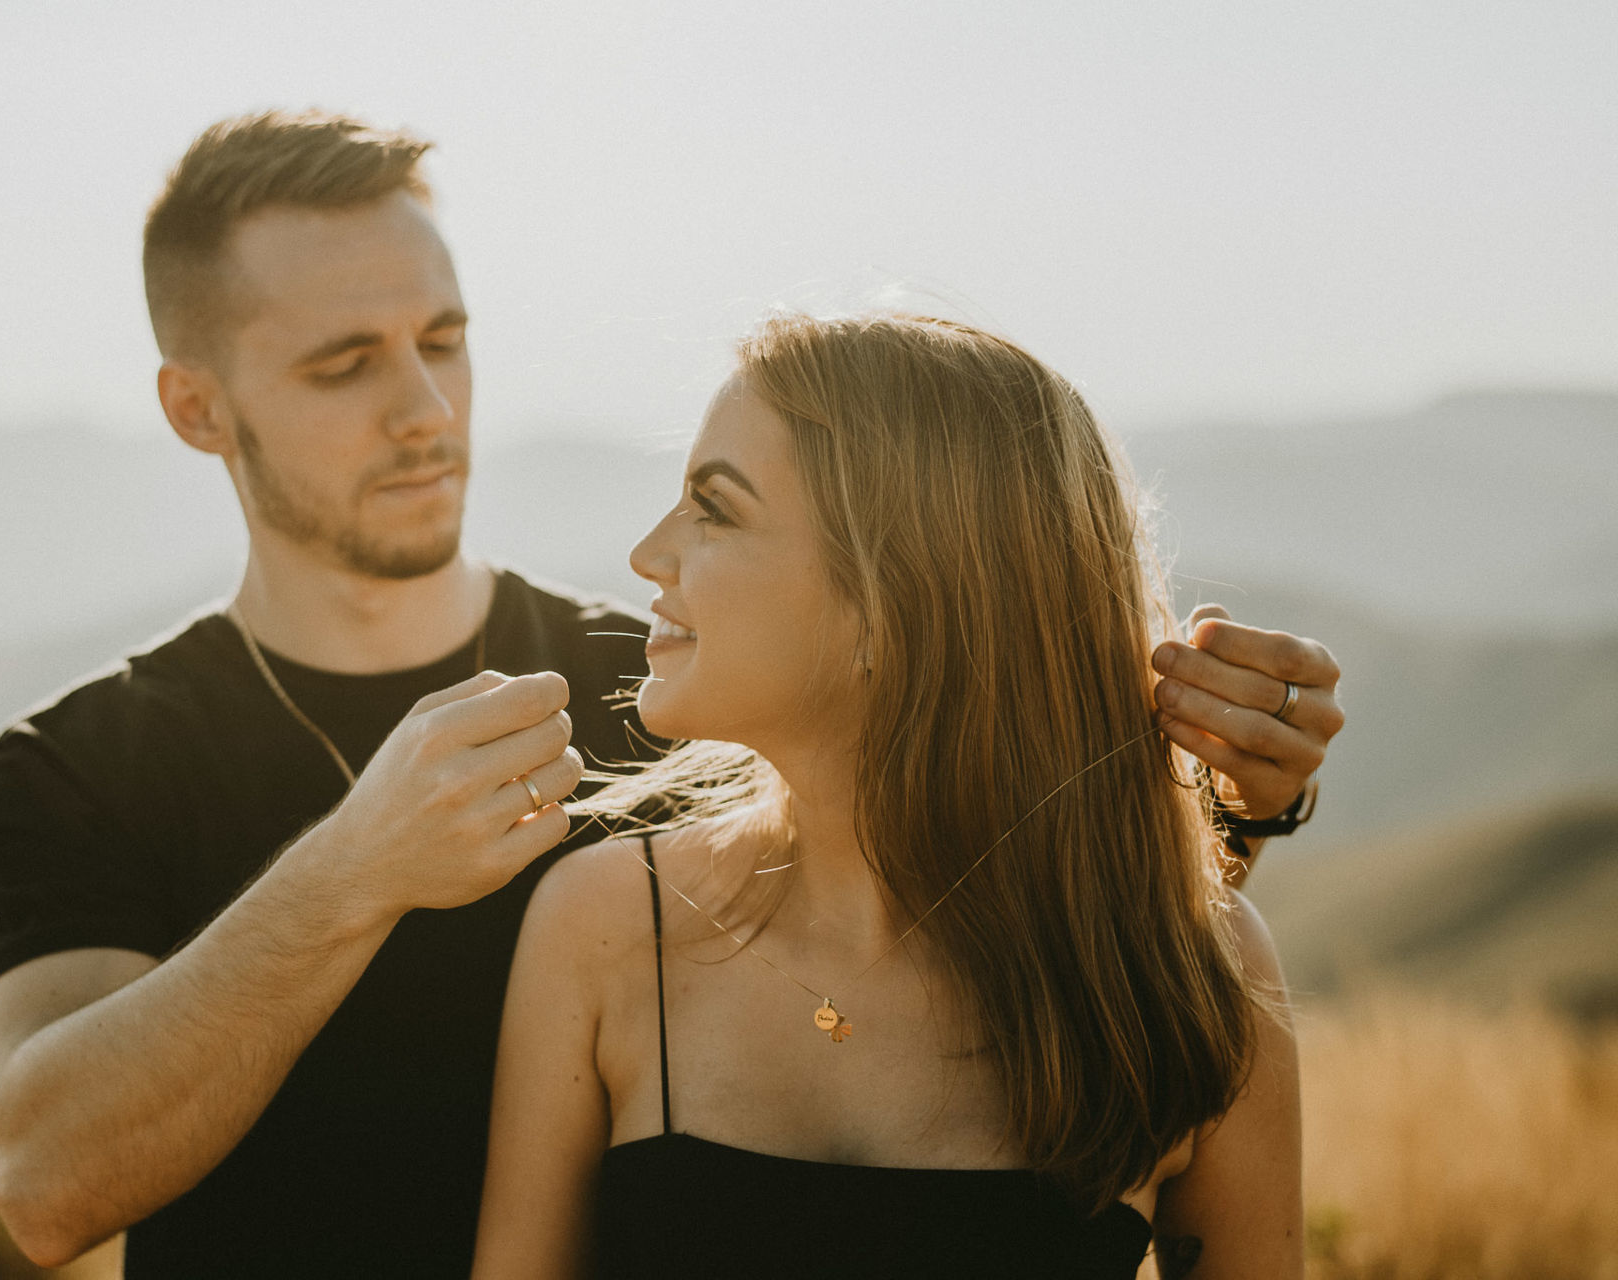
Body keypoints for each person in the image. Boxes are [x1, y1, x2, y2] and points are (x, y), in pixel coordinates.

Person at [0, 111, 1341, 1277]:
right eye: (346, 363)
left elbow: (997, 922)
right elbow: (43, 1183)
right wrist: (352, 874)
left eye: (443, 339)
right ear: (200, 408)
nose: (428, 409)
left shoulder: (679, 691)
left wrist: (1223, 809)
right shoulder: (85, 766)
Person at [474, 313, 1314, 1278]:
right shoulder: (608, 927)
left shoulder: (1194, 964)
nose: (648, 554)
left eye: (716, 508)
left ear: (892, 606)